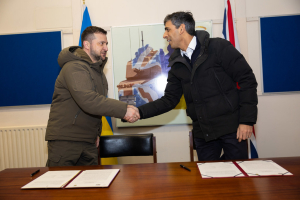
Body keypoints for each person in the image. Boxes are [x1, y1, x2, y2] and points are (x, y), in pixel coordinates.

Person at [136, 12, 258, 161]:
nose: (164, 35)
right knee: (207, 180)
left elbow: (247, 80)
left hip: (232, 130)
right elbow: (169, 100)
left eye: (167, 29)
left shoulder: (218, 47)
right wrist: (138, 112)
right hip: (203, 134)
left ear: (181, 29)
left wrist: (246, 120)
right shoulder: (176, 64)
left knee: (237, 179)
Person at [45, 26, 140, 167]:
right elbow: (89, 100)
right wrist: (124, 109)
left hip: (88, 141)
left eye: (106, 43)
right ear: (87, 45)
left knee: (90, 186)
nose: (106, 48)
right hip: (67, 141)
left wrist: (96, 133)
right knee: (59, 186)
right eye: (101, 43)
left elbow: (97, 108)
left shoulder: (97, 72)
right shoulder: (74, 67)